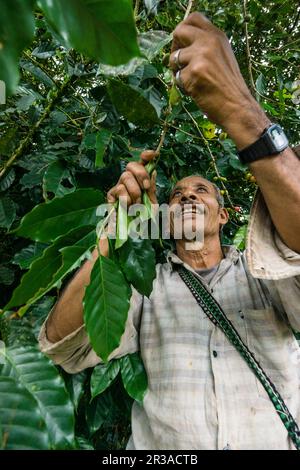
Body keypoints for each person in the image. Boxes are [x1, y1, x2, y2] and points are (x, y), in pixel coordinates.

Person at [38, 13, 300, 450]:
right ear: (164, 216)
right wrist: (119, 228)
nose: (189, 197)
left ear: (223, 216)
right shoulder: (146, 285)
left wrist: (241, 111)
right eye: (177, 195)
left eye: (202, 191)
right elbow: (64, 347)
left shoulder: (266, 276)